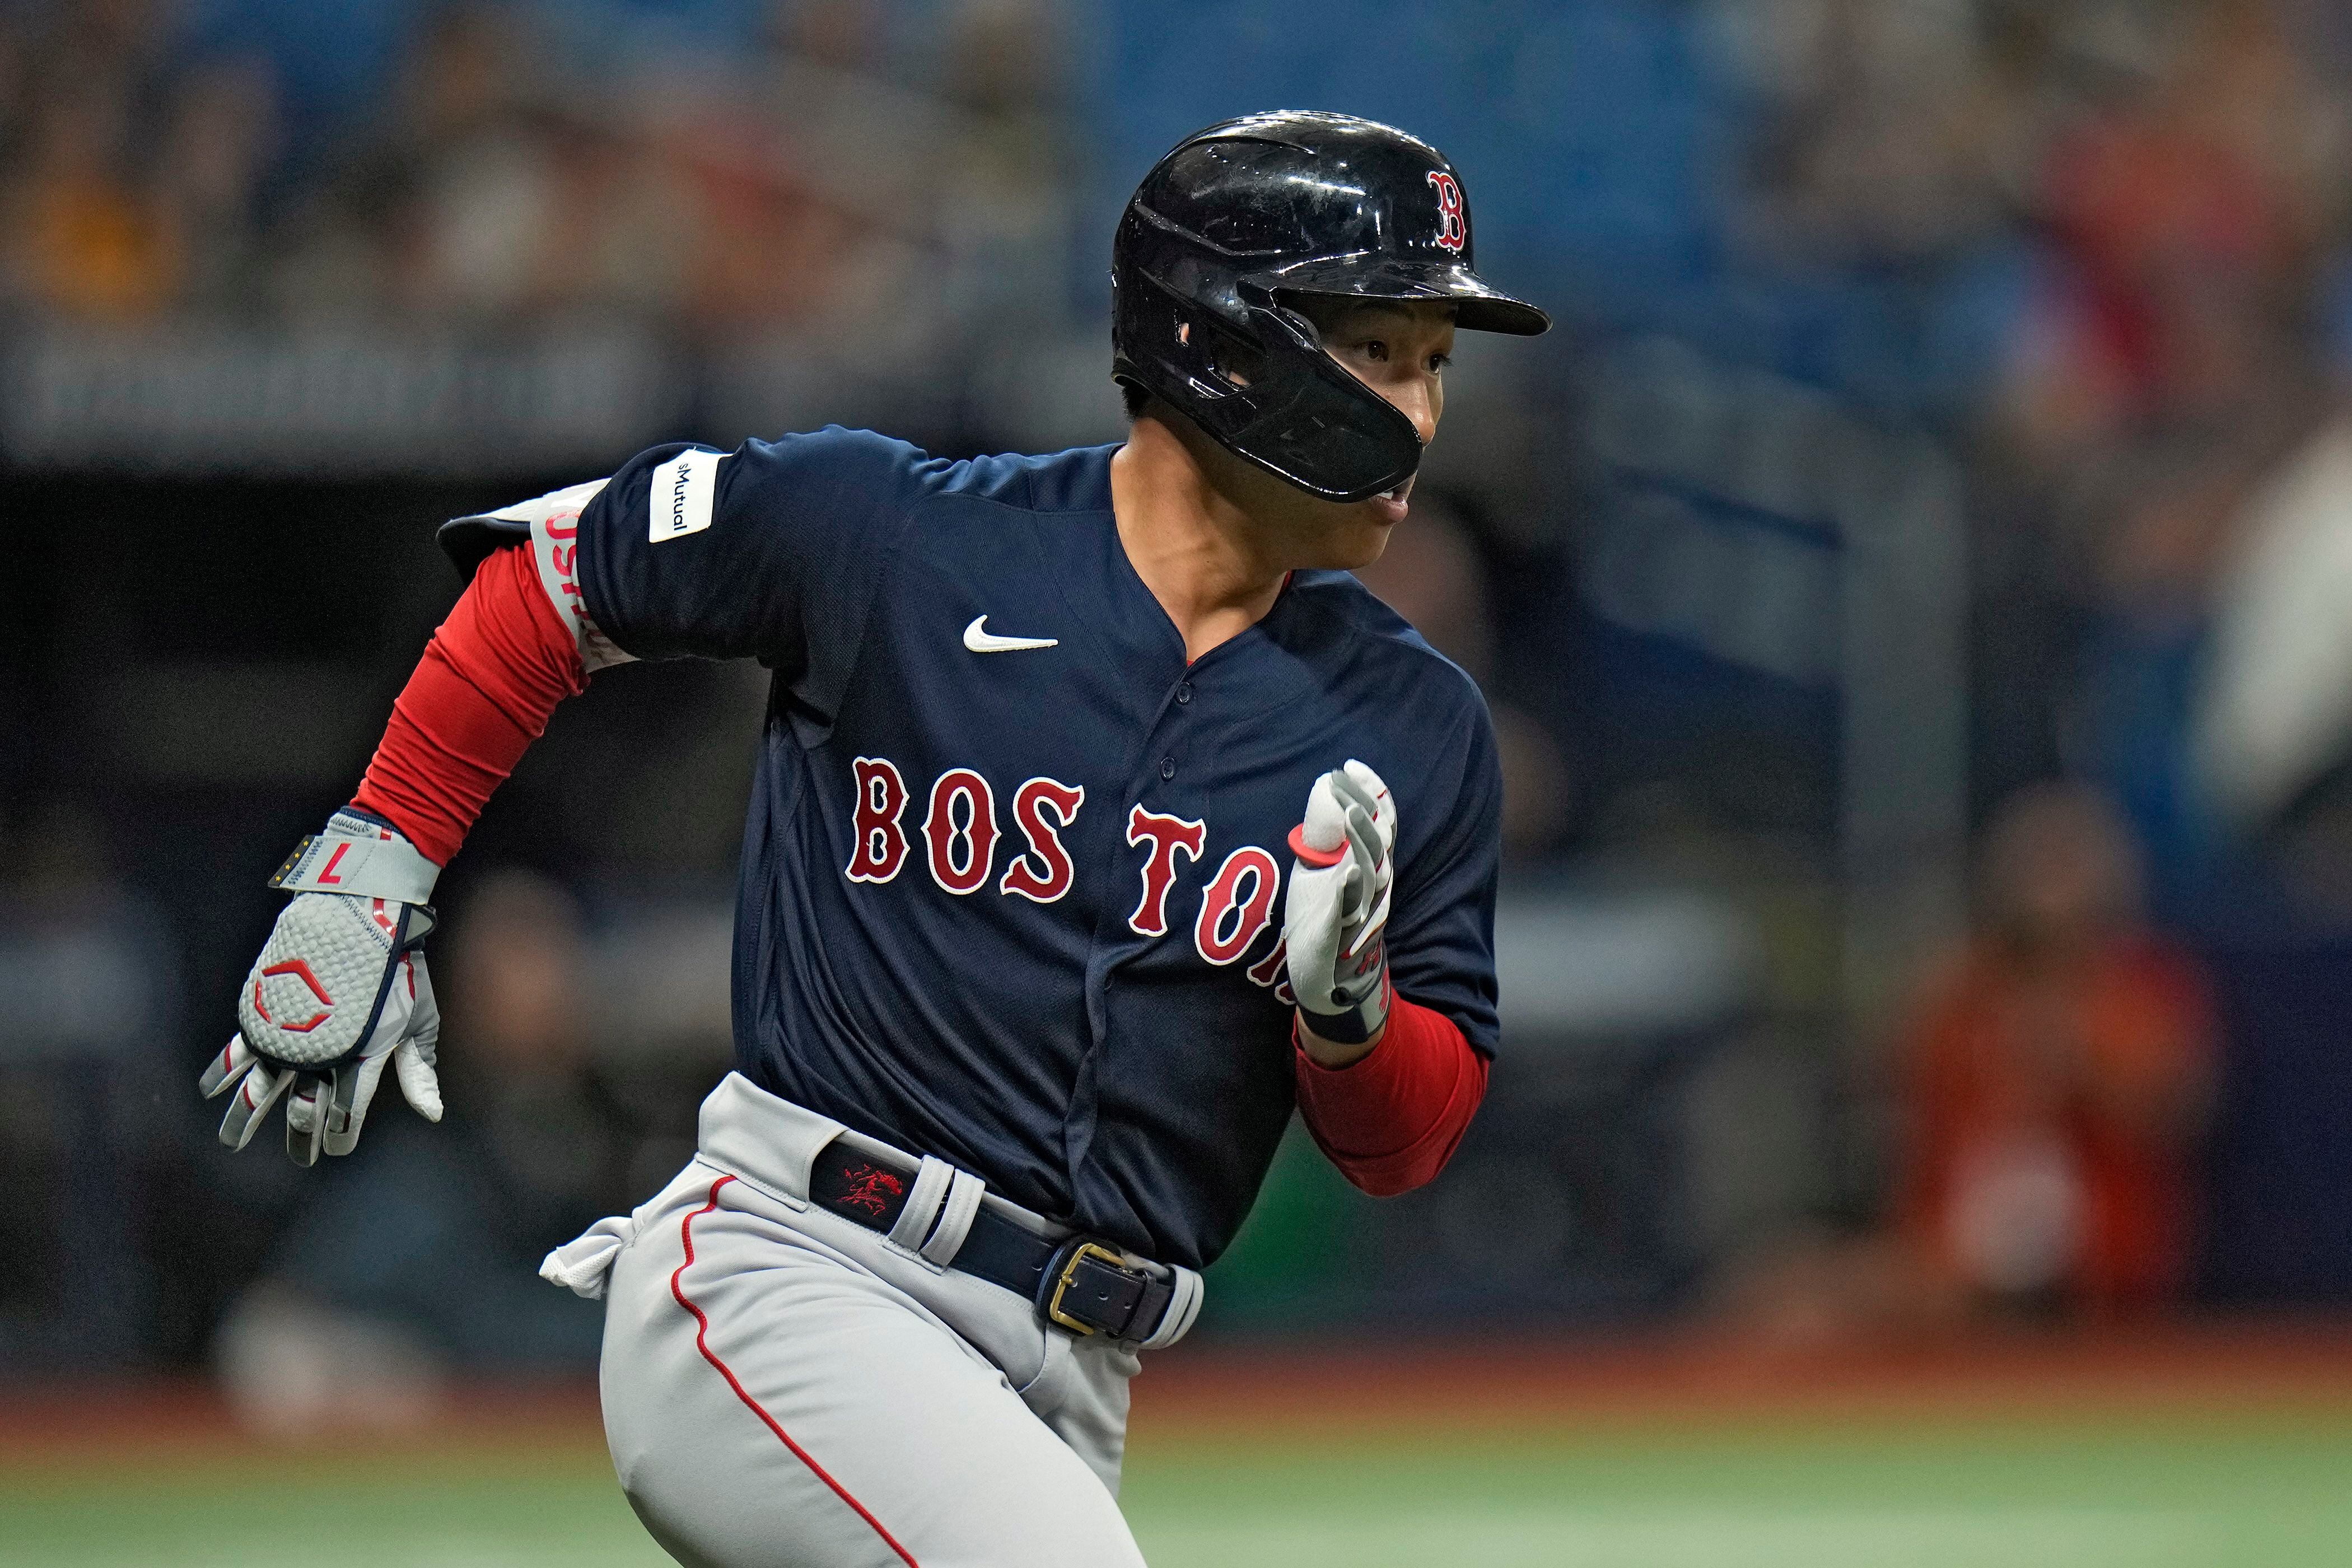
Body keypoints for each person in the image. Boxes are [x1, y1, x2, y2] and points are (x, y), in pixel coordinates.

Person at [200, 111, 1546, 1566]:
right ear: (1227, 341)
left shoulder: (1412, 724)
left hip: (1074, 1378)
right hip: (802, 1274)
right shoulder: (898, 536)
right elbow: (553, 585)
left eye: (1435, 363)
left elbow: (1408, 1144)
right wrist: (377, 860)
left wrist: (1347, 1019)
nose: (1420, 409)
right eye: (1380, 350)